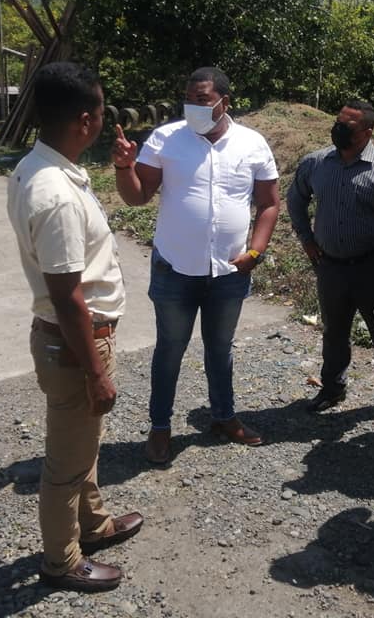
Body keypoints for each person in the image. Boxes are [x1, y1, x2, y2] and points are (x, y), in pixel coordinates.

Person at [7, 62, 143, 592]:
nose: (105, 120)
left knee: (84, 442)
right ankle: (61, 561)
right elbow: (67, 297)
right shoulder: (57, 195)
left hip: (71, 339)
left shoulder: (37, 168)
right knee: (66, 461)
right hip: (75, 343)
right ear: (86, 120)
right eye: (102, 111)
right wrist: (95, 372)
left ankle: (94, 524)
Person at [113, 66, 280, 464]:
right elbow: (137, 197)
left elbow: (269, 204)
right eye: (189, 100)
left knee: (220, 348)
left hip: (229, 272)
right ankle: (160, 427)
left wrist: (255, 252)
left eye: (202, 100)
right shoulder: (165, 139)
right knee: (170, 350)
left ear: (225, 101)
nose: (193, 107)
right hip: (174, 269)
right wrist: (124, 167)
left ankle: (224, 417)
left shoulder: (252, 144)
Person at [287, 100, 374, 425]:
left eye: (348, 126)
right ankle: (332, 389)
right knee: (334, 332)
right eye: (338, 122)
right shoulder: (316, 163)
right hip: (330, 267)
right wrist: (306, 239)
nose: (339, 129)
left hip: (373, 268)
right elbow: (295, 199)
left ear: (367, 132)